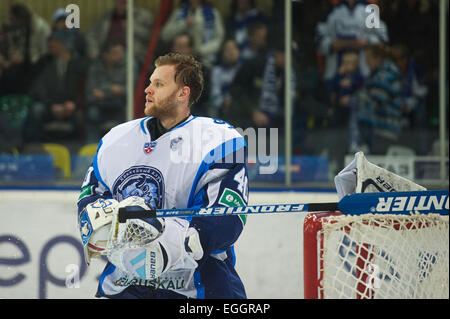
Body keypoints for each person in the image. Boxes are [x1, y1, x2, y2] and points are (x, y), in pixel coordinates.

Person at [77, 52, 248, 299]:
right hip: (125, 284)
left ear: (183, 93)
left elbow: (227, 219)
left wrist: (169, 242)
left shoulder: (218, 141)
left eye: (158, 84)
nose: (147, 90)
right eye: (150, 82)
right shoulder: (116, 139)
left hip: (198, 284)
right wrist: (96, 219)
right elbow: (91, 195)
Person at [160, 0, 225, 69]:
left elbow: (219, 40)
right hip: (179, 59)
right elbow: (165, 35)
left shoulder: (213, 13)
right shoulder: (179, 12)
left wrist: (200, 51)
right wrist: (184, 24)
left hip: (206, 61)